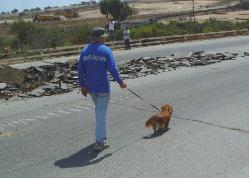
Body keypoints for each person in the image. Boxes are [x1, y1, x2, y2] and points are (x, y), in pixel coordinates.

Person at [78, 27, 127, 151]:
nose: (105, 38)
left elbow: (80, 71)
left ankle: (102, 136)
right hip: (102, 89)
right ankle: (99, 141)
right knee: (101, 114)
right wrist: (120, 82)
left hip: (91, 89)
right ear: (99, 37)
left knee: (99, 112)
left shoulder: (85, 51)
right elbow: (112, 69)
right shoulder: (105, 50)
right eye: (103, 36)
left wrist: (82, 86)